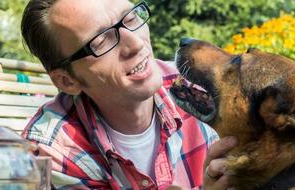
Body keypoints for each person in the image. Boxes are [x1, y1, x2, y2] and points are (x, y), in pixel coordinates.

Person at [20, 0, 237, 189]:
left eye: (131, 18)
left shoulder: (196, 86)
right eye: (100, 41)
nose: (135, 43)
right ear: (68, 81)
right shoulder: (54, 152)